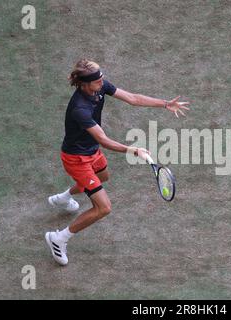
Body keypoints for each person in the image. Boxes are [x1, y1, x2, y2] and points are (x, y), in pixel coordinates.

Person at [45, 59, 190, 265]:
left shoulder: (100, 86)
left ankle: (64, 197)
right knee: (103, 208)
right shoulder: (80, 108)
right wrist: (133, 150)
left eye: (102, 77)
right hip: (76, 159)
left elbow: (132, 98)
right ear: (85, 84)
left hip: (91, 151)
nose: (102, 81)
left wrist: (165, 103)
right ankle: (58, 238)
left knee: (103, 177)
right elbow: (103, 139)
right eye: (97, 80)